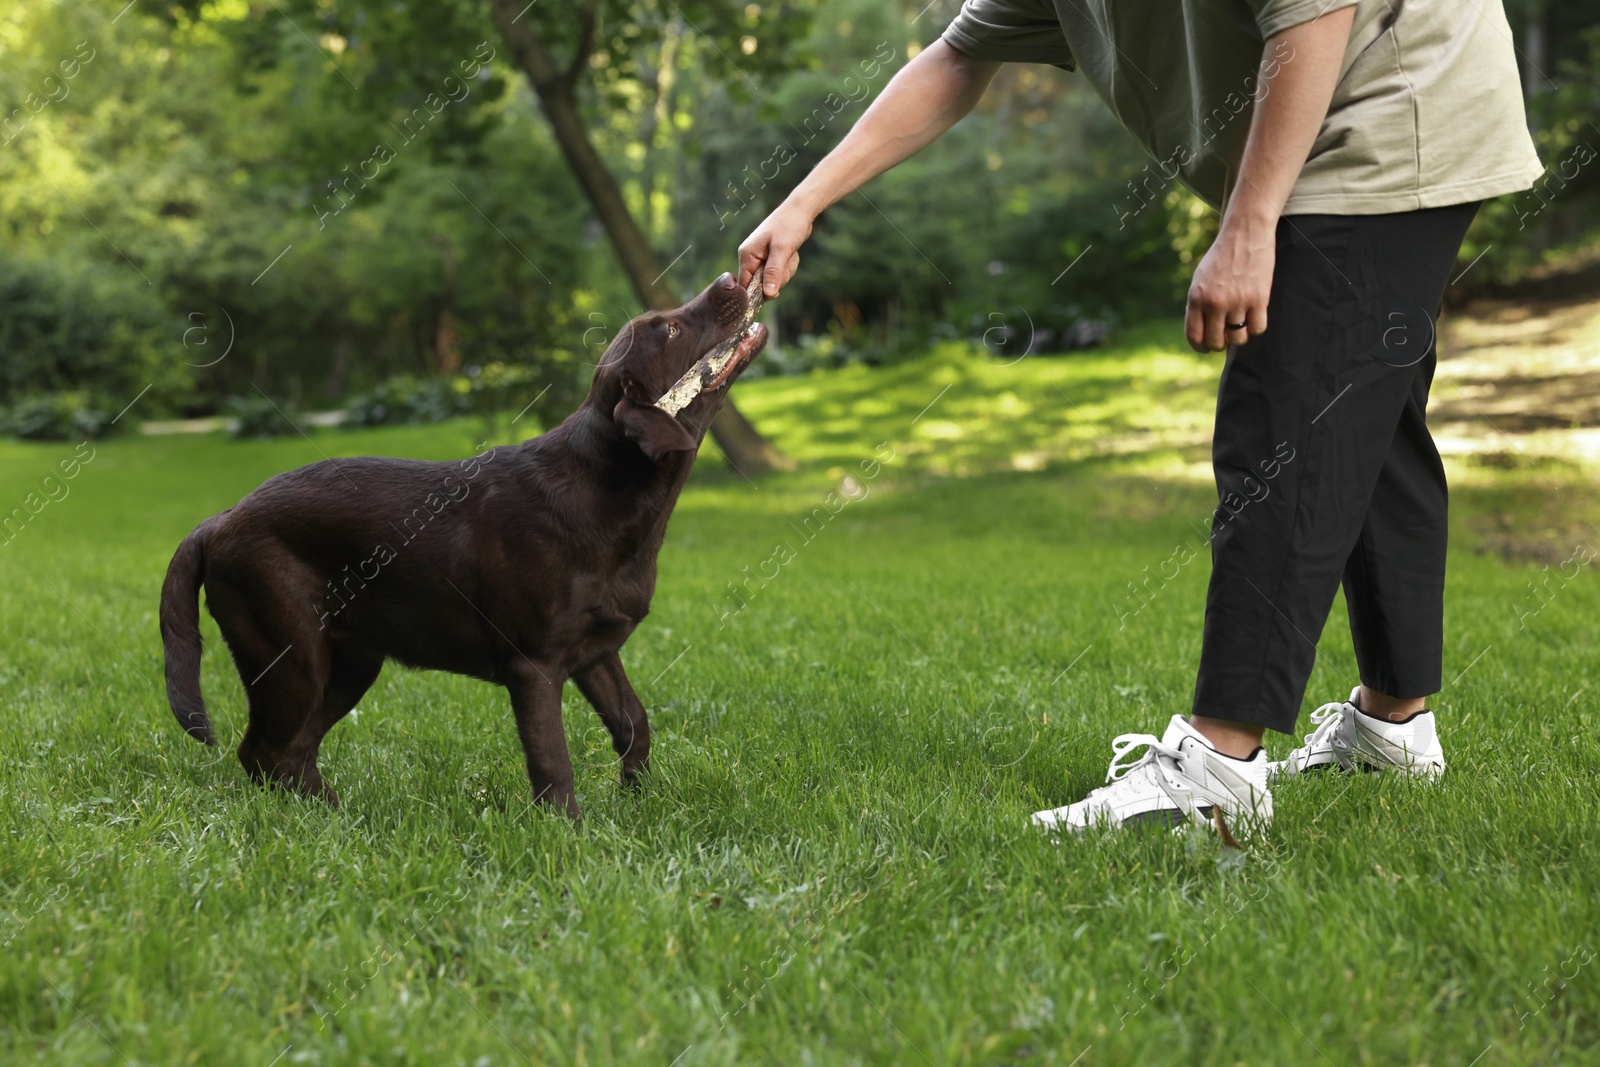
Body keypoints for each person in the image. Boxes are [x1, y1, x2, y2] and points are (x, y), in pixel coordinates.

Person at [738, 0, 1543, 834]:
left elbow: (1315, 16)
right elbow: (954, 58)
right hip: (1355, 114)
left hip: (1393, 99)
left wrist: (1248, 226)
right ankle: (1391, 727)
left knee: (1286, 409)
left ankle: (1217, 772)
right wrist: (804, 202)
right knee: (1362, 416)